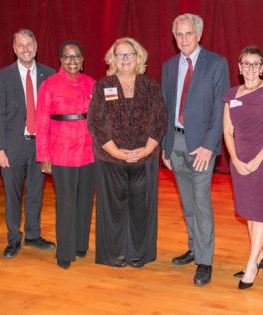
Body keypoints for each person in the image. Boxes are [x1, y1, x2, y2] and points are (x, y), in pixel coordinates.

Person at [160, 13, 229, 286]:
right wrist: (165, 145)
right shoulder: (168, 66)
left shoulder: (216, 63)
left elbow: (220, 107)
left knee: (201, 203)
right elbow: (165, 107)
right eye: (179, 34)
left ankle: (205, 260)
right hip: (174, 142)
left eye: (189, 33)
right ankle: (193, 246)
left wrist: (209, 147)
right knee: (187, 202)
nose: (184, 39)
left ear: (199, 35)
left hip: (201, 146)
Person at [87, 37, 167, 268]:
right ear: (112, 58)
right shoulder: (103, 85)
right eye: (120, 54)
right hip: (110, 159)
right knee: (113, 209)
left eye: (129, 54)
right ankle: (114, 254)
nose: (125, 59)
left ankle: (139, 255)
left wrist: (147, 149)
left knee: (141, 209)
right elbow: (95, 123)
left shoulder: (149, 85)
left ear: (138, 57)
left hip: (145, 158)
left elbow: (160, 118)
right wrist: (118, 153)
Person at [222, 46, 263, 290]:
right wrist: (235, 159)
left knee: (259, 213)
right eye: (245, 63)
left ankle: (250, 266)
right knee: (249, 211)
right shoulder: (231, 94)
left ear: (262, 67)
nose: (250, 68)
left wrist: (257, 160)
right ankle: (259, 257)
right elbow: (227, 131)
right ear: (239, 67)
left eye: (255, 63)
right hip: (239, 159)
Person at [0, 29, 56, 259]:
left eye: (29, 44)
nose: (26, 49)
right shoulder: (3, 76)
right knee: (13, 195)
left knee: (36, 193)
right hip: (12, 147)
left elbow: (55, 113)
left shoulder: (49, 74)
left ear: (36, 46)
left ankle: (33, 234)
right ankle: (13, 238)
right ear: (14, 48)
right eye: (21, 45)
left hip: (40, 146)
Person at [36, 40, 96, 270]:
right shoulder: (49, 85)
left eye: (76, 56)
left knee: (84, 201)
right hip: (61, 153)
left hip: (89, 152)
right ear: (60, 60)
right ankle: (65, 251)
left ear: (82, 60)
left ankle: (81, 245)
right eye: (67, 57)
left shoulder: (92, 84)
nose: (72, 61)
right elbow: (41, 123)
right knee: (66, 203)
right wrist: (44, 156)